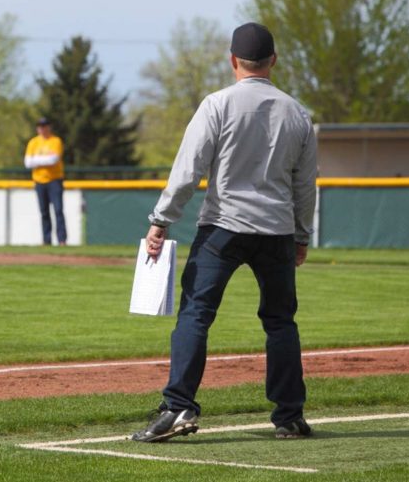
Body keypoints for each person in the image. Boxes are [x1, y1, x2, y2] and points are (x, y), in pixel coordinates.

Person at [131, 23, 317, 443]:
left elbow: (187, 171)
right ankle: (289, 414)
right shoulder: (298, 113)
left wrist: (161, 219)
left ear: (233, 60)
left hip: (223, 227)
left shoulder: (217, 105)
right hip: (276, 229)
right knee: (280, 321)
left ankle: (179, 407)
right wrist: (301, 237)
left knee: (196, 314)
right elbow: (305, 185)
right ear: (274, 60)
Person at [24, 117, 67, 245]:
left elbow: (53, 159)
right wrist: (44, 159)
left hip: (54, 180)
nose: (42, 129)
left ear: (49, 127)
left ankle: (62, 240)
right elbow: (27, 162)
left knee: (58, 210)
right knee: (44, 212)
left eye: (44, 126)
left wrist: (36, 160)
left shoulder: (55, 141)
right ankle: (46, 240)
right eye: (40, 126)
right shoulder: (33, 142)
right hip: (39, 181)